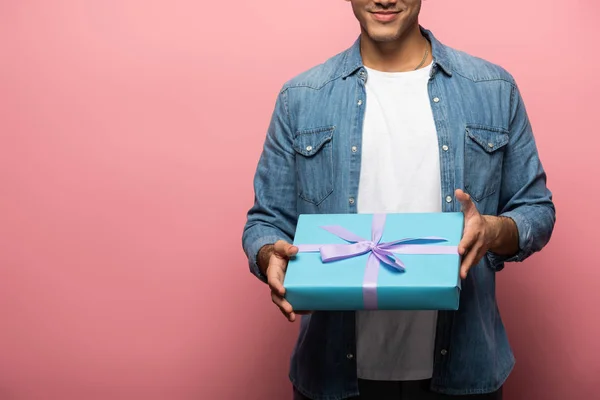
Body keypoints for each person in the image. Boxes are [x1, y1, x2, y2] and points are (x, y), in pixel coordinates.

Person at [241, 1, 556, 399]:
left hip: (464, 371)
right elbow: (265, 221)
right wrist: (270, 255)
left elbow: (536, 210)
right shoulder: (300, 98)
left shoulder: (493, 89)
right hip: (333, 374)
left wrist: (494, 231)